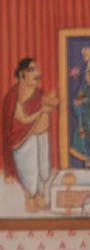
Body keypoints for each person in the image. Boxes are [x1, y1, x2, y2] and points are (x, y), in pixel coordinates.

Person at [2, 55, 51, 209]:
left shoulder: (39, 94)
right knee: (30, 170)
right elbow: (21, 120)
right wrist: (41, 112)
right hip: (21, 140)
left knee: (43, 167)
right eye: (32, 70)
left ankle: (40, 196)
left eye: (37, 69)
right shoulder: (13, 96)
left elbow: (44, 118)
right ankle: (29, 198)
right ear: (22, 74)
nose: (38, 73)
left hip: (40, 136)